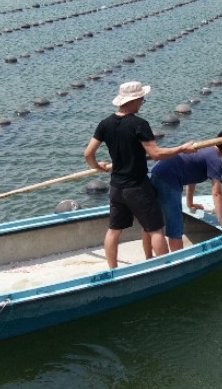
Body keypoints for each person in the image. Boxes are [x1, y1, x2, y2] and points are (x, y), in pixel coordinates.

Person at [83, 81, 195, 269]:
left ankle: (112, 270)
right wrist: (182, 148)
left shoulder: (105, 124)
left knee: (113, 230)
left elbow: (88, 153)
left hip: (116, 187)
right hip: (137, 187)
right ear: (133, 100)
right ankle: (167, 268)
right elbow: (156, 154)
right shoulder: (139, 124)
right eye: (142, 99)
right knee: (156, 230)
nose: (142, 103)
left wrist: (97, 166)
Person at [149, 129, 222, 253]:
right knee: (175, 226)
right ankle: (178, 260)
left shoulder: (203, 147)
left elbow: (191, 175)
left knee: (152, 221)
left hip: (154, 172)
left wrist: (190, 203)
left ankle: (149, 256)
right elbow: (216, 193)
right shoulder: (215, 160)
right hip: (167, 180)